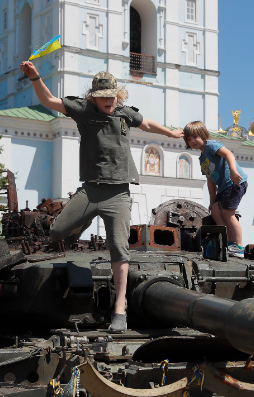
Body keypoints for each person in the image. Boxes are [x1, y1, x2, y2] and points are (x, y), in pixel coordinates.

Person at [19, 61, 183, 333]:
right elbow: (48, 100)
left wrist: (171, 133)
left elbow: (149, 124)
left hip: (118, 193)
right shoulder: (82, 111)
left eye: (112, 96)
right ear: (93, 98)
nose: (109, 101)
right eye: (103, 98)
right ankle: (80, 222)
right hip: (90, 190)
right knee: (58, 231)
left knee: (119, 249)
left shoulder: (124, 114)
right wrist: (35, 76)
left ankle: (120, 308)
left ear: (118, 96)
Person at [183, 121, 248, 255]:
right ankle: (228, 242)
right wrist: (212, 202)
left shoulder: (211, 146)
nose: (192, 141)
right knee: (216, 212)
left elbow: (228, 154)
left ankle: (239, 246)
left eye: (195, 136)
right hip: (223, 187)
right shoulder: (202, 159)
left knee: (228, 214)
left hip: (233, 182)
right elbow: (210, 182)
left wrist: (233, 172)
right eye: (189, 139)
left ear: (203, 135)